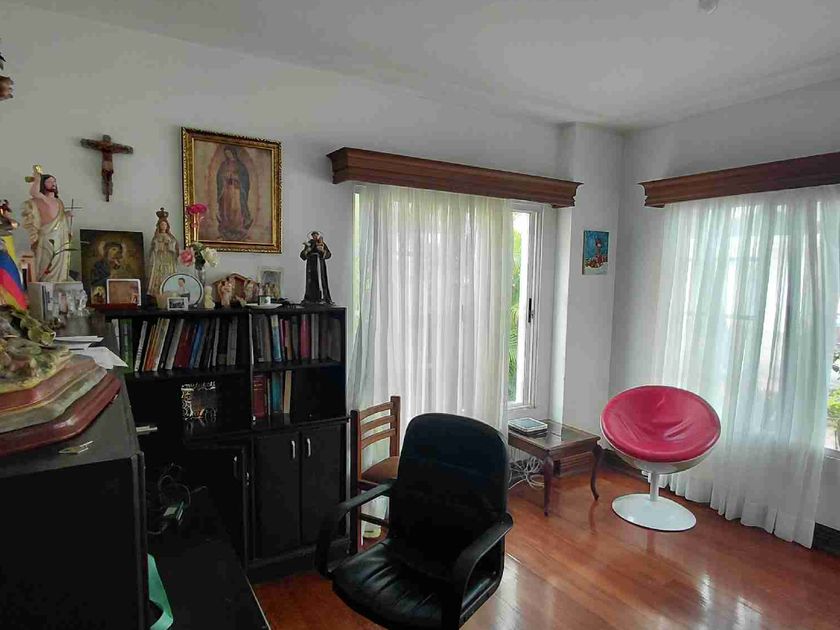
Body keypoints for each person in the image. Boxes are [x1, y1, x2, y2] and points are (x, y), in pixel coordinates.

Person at [21, 166, 72, 282]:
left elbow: (59, 217)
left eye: (54, 181)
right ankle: (45, 284)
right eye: (49, 181)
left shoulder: (58, 202)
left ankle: (58, 283)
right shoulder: (42, 199)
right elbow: (33, 192)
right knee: (47, 261)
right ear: (43, 184)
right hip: (47, 236)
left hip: (60, 237)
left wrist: (66, 215)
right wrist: (37, 178)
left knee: (59, 260)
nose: (53, 184)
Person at [216, 146, 251, 240]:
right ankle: (227, 226)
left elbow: (245, 179)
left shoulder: (240, 166)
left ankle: (238, 226)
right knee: (227, 207)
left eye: (229, 153)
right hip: (226, 190)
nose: (228, 155)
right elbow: (219, 177)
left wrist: (236, 177)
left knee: (236, 208)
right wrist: (224, 177)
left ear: (233, 153)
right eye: (226, 154)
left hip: (236, 190)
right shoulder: (223, 165)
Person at [147, 208, 178, 297]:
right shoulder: (156, 237)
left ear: (167, 226)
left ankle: (169, 291)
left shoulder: (171, 237)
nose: (163, 226)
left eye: (165, 224)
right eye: (161, 224)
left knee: (168, 274)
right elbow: (154, 248)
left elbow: (174, 247)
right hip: (159, 260)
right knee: (158, 275)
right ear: (159, 226)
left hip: (168, 259)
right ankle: (156, 292)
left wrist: (169, 245)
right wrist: (159, 245)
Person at [300, 231, 332, 304]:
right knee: (311, 281)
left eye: (316, 235)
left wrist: (322, 250)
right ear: (312, 236)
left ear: (318, 236)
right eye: (313, 235)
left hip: (320, 263)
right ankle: (311, 298)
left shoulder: (321, 243)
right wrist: (307, 251)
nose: (315, 236)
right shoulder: (309, 243)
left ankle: (323, 297)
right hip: (311, 264)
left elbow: (329, 254)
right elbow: (302, 255)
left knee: (321, 279)